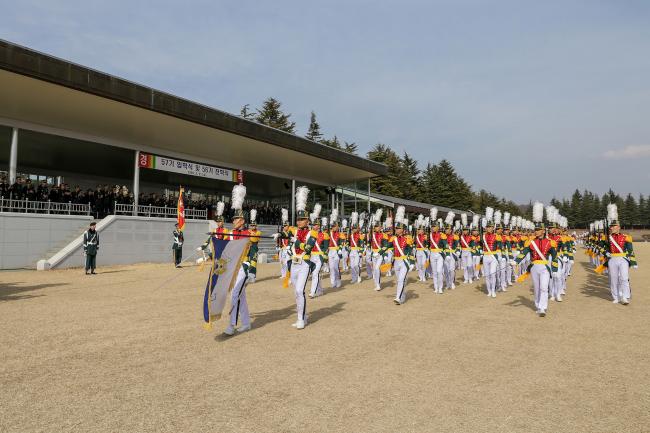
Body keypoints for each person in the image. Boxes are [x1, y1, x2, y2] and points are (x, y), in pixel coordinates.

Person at [514, 202, 559, 317]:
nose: (536, 231)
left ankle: (543, 307)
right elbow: (523, 253)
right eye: (536, 229)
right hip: (534, 267)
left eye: (539, 229)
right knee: (537, 288)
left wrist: (554, 269)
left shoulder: (550, 242)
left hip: (544, 267)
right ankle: (538, 305)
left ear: (543, 231)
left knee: (544, 287)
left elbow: (554, 256)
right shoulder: (530, 242)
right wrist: (515, 261)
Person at [224, 184, 254, 335]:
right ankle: (247, 323)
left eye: (236, 218)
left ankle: (232, 325)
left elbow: (253, 251)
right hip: (233, 268)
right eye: (234, 218)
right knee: (240, 295)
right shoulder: (230, 233)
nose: (234, 221)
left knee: (234, 294)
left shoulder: (249, 233)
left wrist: (252, 270)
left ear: (242, 220)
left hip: (244, 267)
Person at [601, 204, 637, 305]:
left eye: (614, 226)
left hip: (623, 259)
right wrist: (605, 252)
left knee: (624, 278)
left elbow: (630, 250)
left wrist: (633, 262)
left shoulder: (626, 237)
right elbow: (600, 247)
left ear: (619, 227)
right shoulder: (606, 237)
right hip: (612, 259)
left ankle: (625, 297)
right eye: (611, 226)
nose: (612, 228)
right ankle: (615, 297)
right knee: (613, 279)